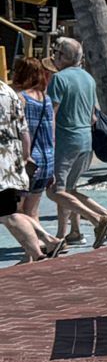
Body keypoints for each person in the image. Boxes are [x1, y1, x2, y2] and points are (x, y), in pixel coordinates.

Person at [46, 37, 107, 248]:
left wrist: (47, 143)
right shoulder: (88, 79)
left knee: (56, 191)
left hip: (65, 140)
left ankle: (99, 218)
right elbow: (92, 117)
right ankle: (73, 232)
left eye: (57, 53)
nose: (54, 57)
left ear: (65, 57)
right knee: (69, 190)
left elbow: (51, 114)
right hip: (85, 139)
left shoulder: (59, 79)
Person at [1, 59, 63, 261]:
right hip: (35, 158)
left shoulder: (21, 96)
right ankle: (40, 247)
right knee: (27, 210)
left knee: (13, 212)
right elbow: (35, 131)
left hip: (17, 161)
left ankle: (37, 252)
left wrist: (26, 157)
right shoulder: (37, 97)